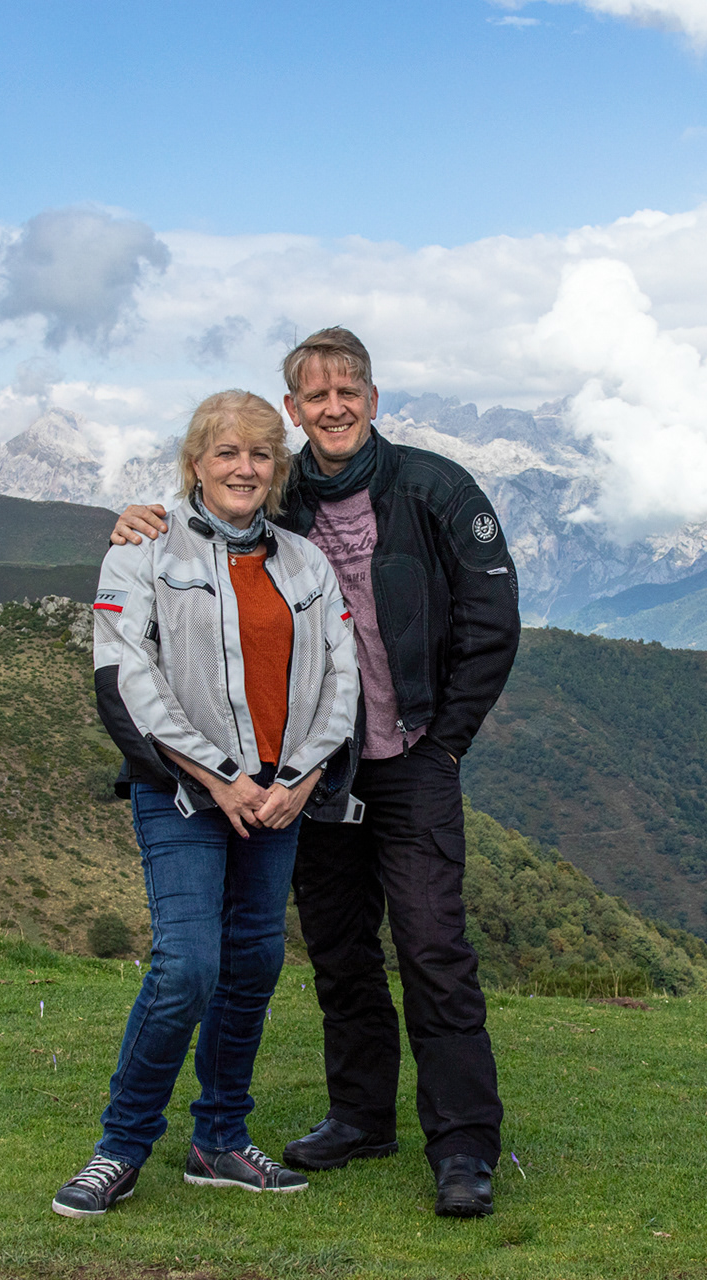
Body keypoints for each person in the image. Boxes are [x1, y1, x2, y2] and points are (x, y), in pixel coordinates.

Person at [110, 329, 521, 1218]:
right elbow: (209, 522)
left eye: (349, 390)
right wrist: (141, 520)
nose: (334, 408)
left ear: (373, 398)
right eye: (315, 395)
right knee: (339, 950)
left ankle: (462, 1145)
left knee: (432, 947)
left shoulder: (435, 489)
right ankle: (362, 1118)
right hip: (312, 769)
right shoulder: (281, 493)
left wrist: (447, 742)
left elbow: (493, 622)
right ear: (295, 409)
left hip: (412, 757)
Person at [52, 389, 363, 1219]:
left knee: (254, 965)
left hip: (277, 799)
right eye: (227, 452)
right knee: (188, 966)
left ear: (277, 468)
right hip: (185, 794)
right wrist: (219, 777)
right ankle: (120, 1147)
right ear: (196, 462)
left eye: (260, 454)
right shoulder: (141, 552)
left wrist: (301, 779)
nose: (244, 468)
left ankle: (219, 1140)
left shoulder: (306, 562)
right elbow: (127, 678)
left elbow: (342, 676)